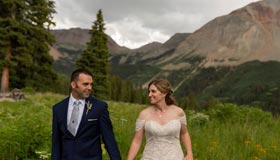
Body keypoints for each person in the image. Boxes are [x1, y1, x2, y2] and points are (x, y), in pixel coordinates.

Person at [52, 68, 121, 160]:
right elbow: (56, 142)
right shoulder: (58, 108)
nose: (89, 88)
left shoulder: (99, 107)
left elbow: (109, 139)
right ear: (73, 84)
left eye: (91, 84)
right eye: (85, 84)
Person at [127, 79, 193, 160]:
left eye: (153, 91)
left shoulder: (178, 112)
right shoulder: (144, 114)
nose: (149, 95)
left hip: (175, 156)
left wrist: (189, 153)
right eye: (149, 91)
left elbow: (184, 133)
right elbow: (137, 140)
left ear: (164, 93)